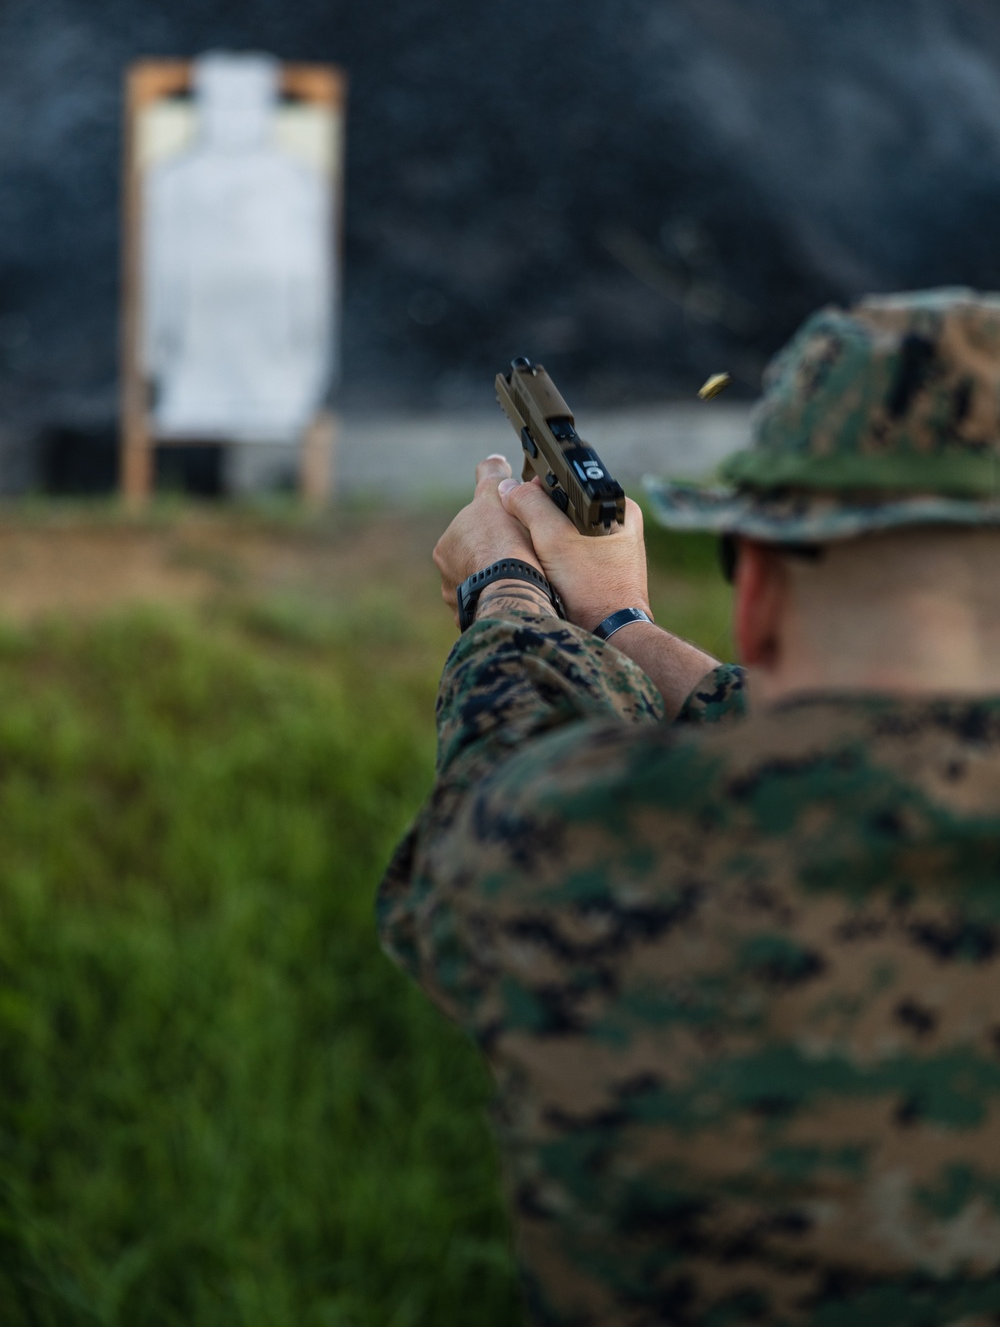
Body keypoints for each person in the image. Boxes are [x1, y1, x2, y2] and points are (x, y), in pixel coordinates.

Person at [376, 288, 1000, 1326]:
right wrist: (620, 621)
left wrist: (513, 596)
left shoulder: (559, 852)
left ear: (755, 591)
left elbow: (509, 777)